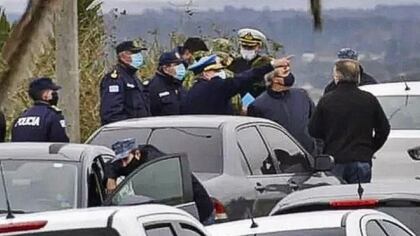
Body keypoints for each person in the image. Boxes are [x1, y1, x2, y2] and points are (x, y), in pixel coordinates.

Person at [308, 59, 390, 184]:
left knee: (336, 199)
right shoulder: (369, 100)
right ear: (357, 77)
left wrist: (329, 139)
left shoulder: (326, 100)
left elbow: (313, 130)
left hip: (334, 160)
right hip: (361, 159)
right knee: (359, 199)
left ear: (337, 76)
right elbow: (384, 129)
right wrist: (370, 148)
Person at [104, 138, 215, 225]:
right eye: (120, 160)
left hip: (199, 211)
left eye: (125, 159)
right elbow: (112, 165)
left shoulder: (154, 165)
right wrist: (111, 177)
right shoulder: (131, 159)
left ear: (137, 154)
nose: (123, 164)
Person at [181, 54, 291, 115]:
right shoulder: (216, 87)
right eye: (216, 71)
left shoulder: (192, 91)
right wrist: (272, 65)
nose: (220, 74)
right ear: (206, 73)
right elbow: (244, 78)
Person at [248, 65, 316, 153]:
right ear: (275, 79)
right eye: (285, 73)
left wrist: (317, 147)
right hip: (279, 158)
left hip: (307, 153)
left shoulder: (302, 95)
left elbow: (315, 121)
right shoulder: (258, 105)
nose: (289, 76)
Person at [100, 40, 150, 125]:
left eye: (139, 53)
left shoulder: (134, 78)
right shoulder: (115, 79)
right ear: (122, 56)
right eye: (134, 53)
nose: (139, 56)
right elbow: (111, 114)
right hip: (125, 131)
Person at [11, 77, 69, 142]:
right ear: (45, 95)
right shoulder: (52, 116)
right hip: (43, 152)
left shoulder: (20, 118)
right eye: (52, 92)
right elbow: (60, 144)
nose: (55, 95)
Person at [149, 52, 187, 116]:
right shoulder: (154, 87)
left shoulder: (178, 85)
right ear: (166, 68)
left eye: (181, 64)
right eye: (176, 64)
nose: (181, 67)